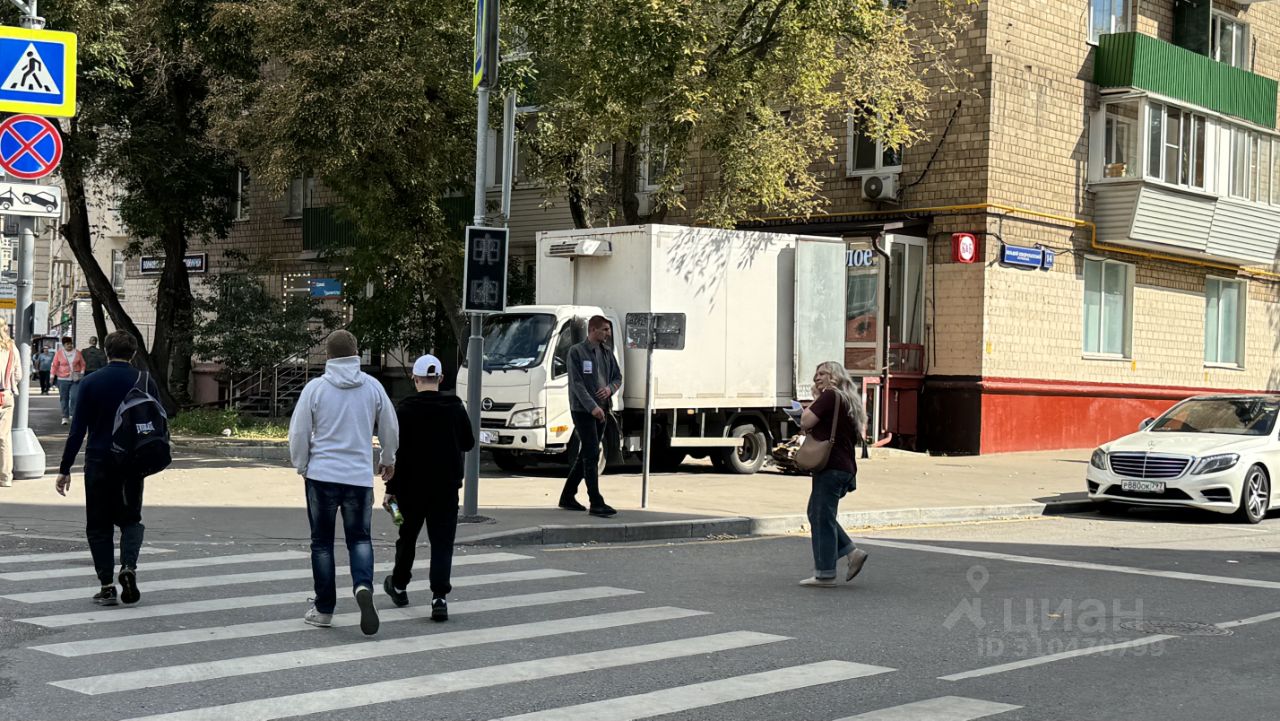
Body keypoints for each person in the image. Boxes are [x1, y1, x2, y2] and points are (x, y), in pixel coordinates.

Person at [288, 330, 399, 635]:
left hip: (321, 476)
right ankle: (363, 586)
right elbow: (390, 426)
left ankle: (324, 609)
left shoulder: (316, 388)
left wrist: (302, 464)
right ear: (356, 354)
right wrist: (387, 458)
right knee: (360, 539)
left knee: (322, 543)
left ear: (328, 356)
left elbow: (299, 431)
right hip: (358, 478)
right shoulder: (372, 387)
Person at [55, 331, 161, 606]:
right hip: (132, 463)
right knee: (131, 520)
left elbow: (77, 430)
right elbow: (157, 421)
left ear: (105, 351)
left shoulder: (91, 382)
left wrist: (65, 468)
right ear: (134, 353)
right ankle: (128, 567)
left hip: (99, 461)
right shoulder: (145, 380)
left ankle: (107, 586)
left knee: (99, 525)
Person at [381, 354, 474, 622]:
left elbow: (397, 452)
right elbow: (468, 442)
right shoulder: (455, 407)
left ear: (415, 379)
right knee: (442, 542)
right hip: (446, 488)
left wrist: (391, 488)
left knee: (407, 537)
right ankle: (439, 597)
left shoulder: (404, 409)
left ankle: (399, 586)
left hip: (410, 489)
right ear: (441, 378)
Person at [798, 361, 869, 588]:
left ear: (834, 376)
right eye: (816, 374)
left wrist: (809, 406)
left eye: (822, 373)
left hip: (831, 466)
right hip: (844, 467)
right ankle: (852, 553)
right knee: (818, 513)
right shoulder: (845, 399)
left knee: (821, 516)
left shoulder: (830, 396)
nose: (816, 378)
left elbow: (805, 420)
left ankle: (825, 574)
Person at [559, 315, 620, 517]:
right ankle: (596, 501)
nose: (608, 333)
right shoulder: (577, 352)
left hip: (603, 409)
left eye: (608, 330)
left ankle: (567, 496)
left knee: (587, 452)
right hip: (582, 410)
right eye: (605, 329)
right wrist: (592, 407)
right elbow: (577, 384)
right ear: (593, 330)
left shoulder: (607, 352)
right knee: (592, 453)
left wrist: (610, 389)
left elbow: (617, 377)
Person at [0, 319, 25, 488]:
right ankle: (5, 477)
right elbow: (18, 375)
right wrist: (9, 384)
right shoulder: (11, 348)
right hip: (5, 395)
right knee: (4, 437)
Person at [50, 335, 85, 425]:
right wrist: (52, 376)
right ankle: (64, 417)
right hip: (62, 379)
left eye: (70, 344)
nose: (69, 345)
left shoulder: (77, 353)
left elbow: (83, 364)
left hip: (75, 379)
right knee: (64, 398)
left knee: (74, 396)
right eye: (67, 344)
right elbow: (54, 365)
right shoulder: (59, 353)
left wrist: (81, 373)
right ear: (64, 345)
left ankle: (72, 414)